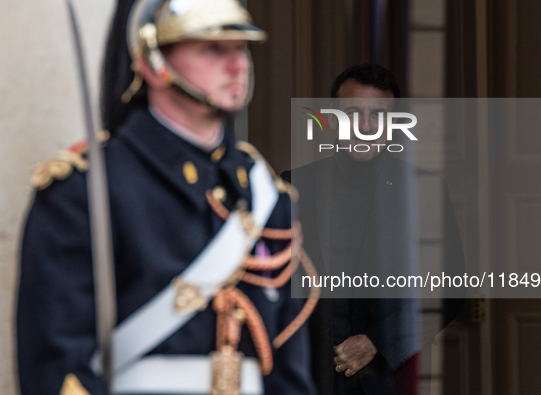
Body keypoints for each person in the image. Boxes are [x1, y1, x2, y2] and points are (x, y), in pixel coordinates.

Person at [17, 0, 316, 394]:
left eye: (240, 47)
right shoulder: (84, 189)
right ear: (153, 63)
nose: (237, 65)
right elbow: (57, 364)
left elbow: (287, 368)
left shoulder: (266, 194)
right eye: (212, 49)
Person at [282, 64, 465, 394]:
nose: (365, 128)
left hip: (388, 376)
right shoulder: (292, 186)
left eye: (378, 117)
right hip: (306, 375)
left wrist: (378, 342)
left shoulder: (427, 191)